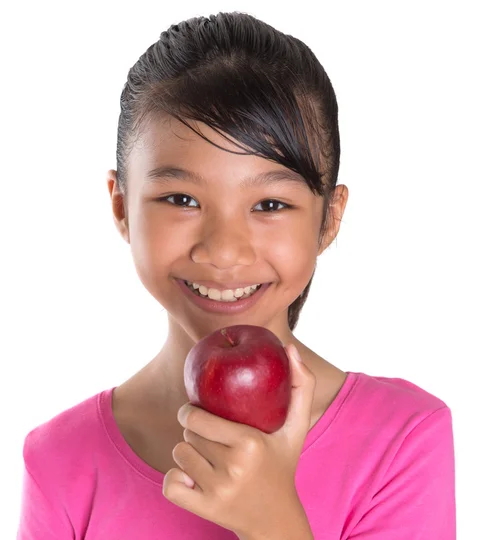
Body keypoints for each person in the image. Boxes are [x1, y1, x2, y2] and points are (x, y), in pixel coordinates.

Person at [17, 11, 456, 540]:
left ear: (329, 218)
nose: (224, 251)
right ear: (120, 206)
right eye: (181, 199)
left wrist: (273, 523)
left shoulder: (402, 441)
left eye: (270, 203)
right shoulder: (59, 461)